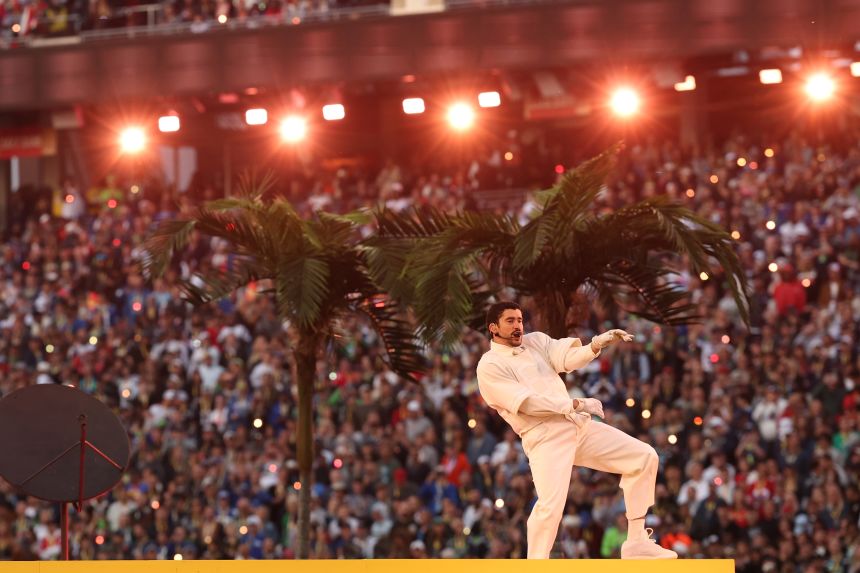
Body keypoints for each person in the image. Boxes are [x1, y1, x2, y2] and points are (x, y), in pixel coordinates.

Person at [475, 301, 677, 559]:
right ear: (494, 328)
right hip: (545, 436)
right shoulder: (489, 365)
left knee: (644, 456)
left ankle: (636, 541)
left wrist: (596, 344)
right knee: (550, 507)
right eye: (510, 321)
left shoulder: (535, 341)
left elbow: (566, 358)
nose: (518, 326)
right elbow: (527, 403)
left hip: (577, 426)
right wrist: (575, 403)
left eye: (520, 320)